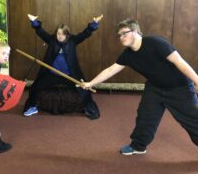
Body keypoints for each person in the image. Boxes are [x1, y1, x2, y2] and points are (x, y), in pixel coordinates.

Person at [82, 18, 198, 155]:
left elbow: (180, 62)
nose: (121, 37)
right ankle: (138, 146)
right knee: (145, 117)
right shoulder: (127, 55)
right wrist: (90, 83)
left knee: (192, 119)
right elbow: (110, 70)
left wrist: (197, 80)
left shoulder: (156, 43)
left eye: (124, 33)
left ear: (136, 31)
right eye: (119, 35)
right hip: (154, 88)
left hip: (179, 87)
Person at [23, 14, 103, 120]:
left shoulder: (73, 41)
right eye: (58, 33)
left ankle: (88, 107)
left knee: (84, 90)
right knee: (35, 87)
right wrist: (34, 21)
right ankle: (32, 107)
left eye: (63, 34)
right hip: (52, 75)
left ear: (67, 35)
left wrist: (94, 24)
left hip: (69, 75)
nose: (60, 36)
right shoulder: (51, 40)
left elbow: (85, 33)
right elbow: (40, 31)